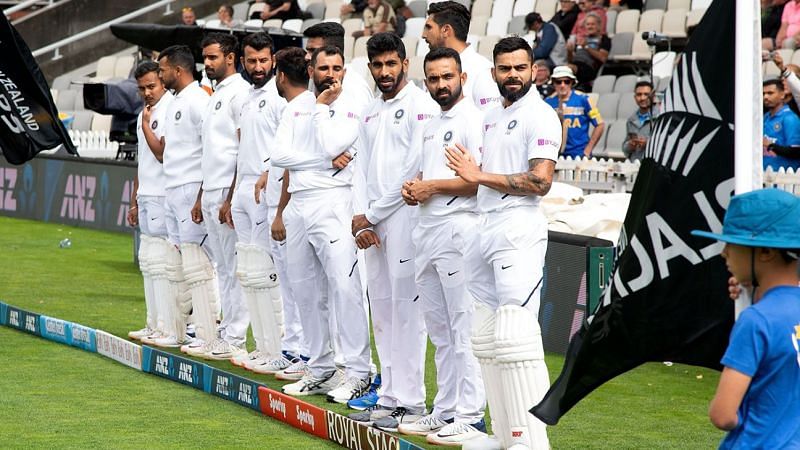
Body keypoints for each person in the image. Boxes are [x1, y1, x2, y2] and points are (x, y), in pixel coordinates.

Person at [445, 36, 562, 450]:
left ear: (533, 71)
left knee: (516, 336)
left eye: (519, 68)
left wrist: (480, 177)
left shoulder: (542, 116)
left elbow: (540, 181)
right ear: (492, 72)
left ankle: (534, 441)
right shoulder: (491, 114)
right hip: (484, 224)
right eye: (504, 68)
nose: (511, 75)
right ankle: (505, 434)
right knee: (488, 336)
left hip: (518, 226)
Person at [397, 47, 488, 446]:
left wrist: (430, 187)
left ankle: (471, 415)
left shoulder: (473, 119)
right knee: (439, 329)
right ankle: (445, 410)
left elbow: (475, 181)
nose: (440, 85)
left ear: (462, 78)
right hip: (426, 229)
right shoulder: (431, 124)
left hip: (458, 231)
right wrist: (413, 188)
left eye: (447, 77)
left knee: (462, 326)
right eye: (433, 78)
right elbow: (424, 173)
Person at [271, 46, 373, 401]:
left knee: (345, 290)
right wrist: (322, 160)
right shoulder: (295, 106)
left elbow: (335, 142)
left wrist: (319, 113)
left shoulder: (351, 105)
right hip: (299, 203)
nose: (331, 74)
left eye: (337, 67)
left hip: (335, 203)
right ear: (311, 69)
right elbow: (279, 156)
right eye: (324, 67)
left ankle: (359, 370)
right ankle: (321, 368)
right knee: (305, 291)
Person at [349, 32, 439, 431]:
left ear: (405, 63)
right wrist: (360, 218)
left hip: (404, 220)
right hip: (371, 223)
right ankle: (389, 396)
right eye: (377, 65)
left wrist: (371, 214)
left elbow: (411, 173)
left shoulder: (421, 106)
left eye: (391, 64)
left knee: (407, 312)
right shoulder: (369, 111)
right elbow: (359, 171)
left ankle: (413, 401)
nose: (384, 72)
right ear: (369, 68)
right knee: (382, 310)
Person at [691, 188, 800, 449]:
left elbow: (723, 414)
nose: (724, 252)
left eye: (732, 243)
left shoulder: (756, 321)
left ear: (765, 252)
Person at [226, 32, 304, 376]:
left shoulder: (279, 99)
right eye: (251, 61)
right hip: (244, 188)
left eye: (263, 61)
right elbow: (241, 147)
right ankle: (264, 345)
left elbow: (287, 148)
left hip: (267, 191)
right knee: (251, 270)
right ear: (242, 61)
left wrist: (268, 175)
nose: (258, 67)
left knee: (273, 272)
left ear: (273, 61)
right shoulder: (245, 98)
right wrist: (231, 194)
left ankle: (284, 347)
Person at [180, 33, 251, 360]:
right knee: (223, 267)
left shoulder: (240, 93)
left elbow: (242, 150)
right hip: (210, 189)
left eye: (212, 58)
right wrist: (200, 196)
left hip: (227, 191)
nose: (206, 64)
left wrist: (230, 198)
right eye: (204, 58)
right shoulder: (215, 95)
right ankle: (226, 331)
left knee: (236, 266)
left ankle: (235, 336)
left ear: (230, 58)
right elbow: (210, 151)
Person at [155, 45, 212, 348]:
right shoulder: (174, 101)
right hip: (173, 187)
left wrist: (201, 194)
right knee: (177, 261)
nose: (160, 74)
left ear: (177, 70)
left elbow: (210, 147)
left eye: (162, 69)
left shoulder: (199, 100)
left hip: (192, 187)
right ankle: (186, 328)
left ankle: (208, 332)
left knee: (198, 262)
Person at [127, 61, 175, 344]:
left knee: (162, 264)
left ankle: (167, 326)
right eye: (141, 88)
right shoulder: (142, 114)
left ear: (162, 81)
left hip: (163, 194)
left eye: (151, 86)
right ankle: (152, 322)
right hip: (146, 194)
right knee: (148, 263)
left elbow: (161, 154)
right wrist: (134, 200)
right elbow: (142, 161)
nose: (146, 92)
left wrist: (147, 125)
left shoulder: (169, 108)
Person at [422, 1, 501, 110]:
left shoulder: (483, 71)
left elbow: (489, 122)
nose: (423, 35)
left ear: (446, 30)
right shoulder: (432, 69)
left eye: (429, 27)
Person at [302, 22, 374, 114]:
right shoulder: (314, 75)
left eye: (313, 51)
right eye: (307, 50)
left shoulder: (356, 89)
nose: (307, 57)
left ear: (333, 51)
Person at [545, 65, 603, 158]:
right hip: (554, 156)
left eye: (566, 81)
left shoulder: (585, 99)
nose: (562, 85)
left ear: (572, 82)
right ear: (553, 83)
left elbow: (600, 124)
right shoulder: (547, 102)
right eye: (559, 82)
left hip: (579, 155)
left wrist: (588, 150)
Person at [762, 78, 800, 170]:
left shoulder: (790, 118)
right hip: (765, 175)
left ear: (782, 95)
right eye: (763, 94)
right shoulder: (765, 117)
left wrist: (771, 146)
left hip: (784, 178)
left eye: (770, 93)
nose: (765, 97)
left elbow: (796, 151)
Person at [566, 13, 609, 89]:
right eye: (588, 24)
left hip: (589, 67)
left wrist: (586, 47)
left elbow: (603, 58)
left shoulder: (603, 39)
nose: (590, 26)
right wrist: (569, 51)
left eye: (593, 24)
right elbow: (570, 60)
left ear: (599, 26)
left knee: (567, 69)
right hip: (575, 65)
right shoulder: (582, 39)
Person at [622, 80, 657, 162]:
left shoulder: (661, 118)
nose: (642, 98)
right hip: (634, 165)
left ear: (653, 96)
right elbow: (625, 148)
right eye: (639, 94)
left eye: (646, 94)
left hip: (653, 166)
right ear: (635, 97)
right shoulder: (631, 120)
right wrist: (630, 145)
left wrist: (648, 143)